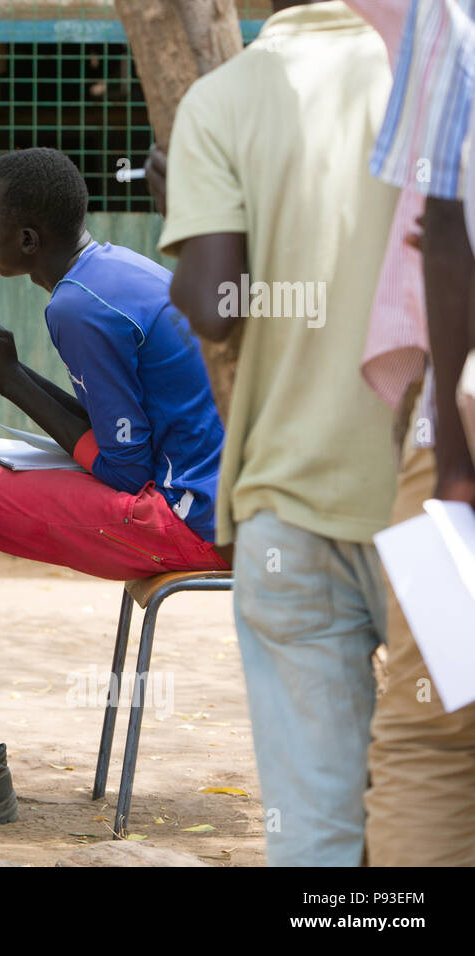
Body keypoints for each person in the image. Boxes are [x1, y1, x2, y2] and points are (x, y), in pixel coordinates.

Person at [0, 147, 228, 829]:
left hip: (184, 521)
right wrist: (0, 370)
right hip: (197, 498)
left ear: (27, 240)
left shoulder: (77, 308)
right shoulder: (109, 270)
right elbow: (122, 435)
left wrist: (7, 377)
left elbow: (123, 468)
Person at [160, 0, 398, 865]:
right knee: (439, 811)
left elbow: (217, 305)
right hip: (435, 503)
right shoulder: (445, 72)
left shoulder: (222, 99)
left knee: (320, 833)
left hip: (287, 511)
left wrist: (181, 227)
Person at [347, 0, 475, 867]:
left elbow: (444, 232)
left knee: (435, 738)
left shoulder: (447, 16)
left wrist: (456, 472)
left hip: (460, 417)